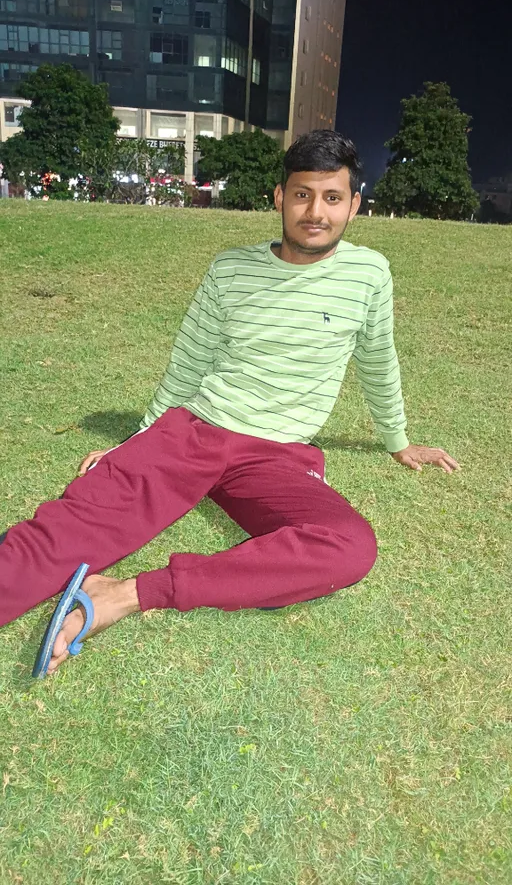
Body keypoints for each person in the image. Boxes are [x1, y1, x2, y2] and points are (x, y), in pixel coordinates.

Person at [0, 130, 459, 673]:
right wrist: (137, 441)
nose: (316, 212)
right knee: (55, 540)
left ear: (354, 204)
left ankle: (122, 596)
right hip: (194, 430)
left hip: (277, 456)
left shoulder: (369, 274)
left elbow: (379, 359)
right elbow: (189, 362)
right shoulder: (230, 270)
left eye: (332, 198)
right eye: (302, 195)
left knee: (348, 547)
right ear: (279, 198)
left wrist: (398, 442)